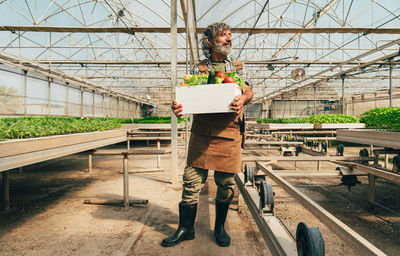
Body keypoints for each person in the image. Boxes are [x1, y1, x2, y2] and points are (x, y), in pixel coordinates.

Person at [161, 22, 253, 247]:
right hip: (202, 133)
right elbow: (184, 93)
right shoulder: (197, 69)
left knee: (226, 183)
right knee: (191, 181)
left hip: (230, 131)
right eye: (223, 36)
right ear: (210, 42)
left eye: (230, 35)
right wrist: (178, 105)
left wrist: (244, 97)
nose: (229, 39)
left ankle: (220, 227)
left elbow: (249, 90)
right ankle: (185, 228)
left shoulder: (238, 67)